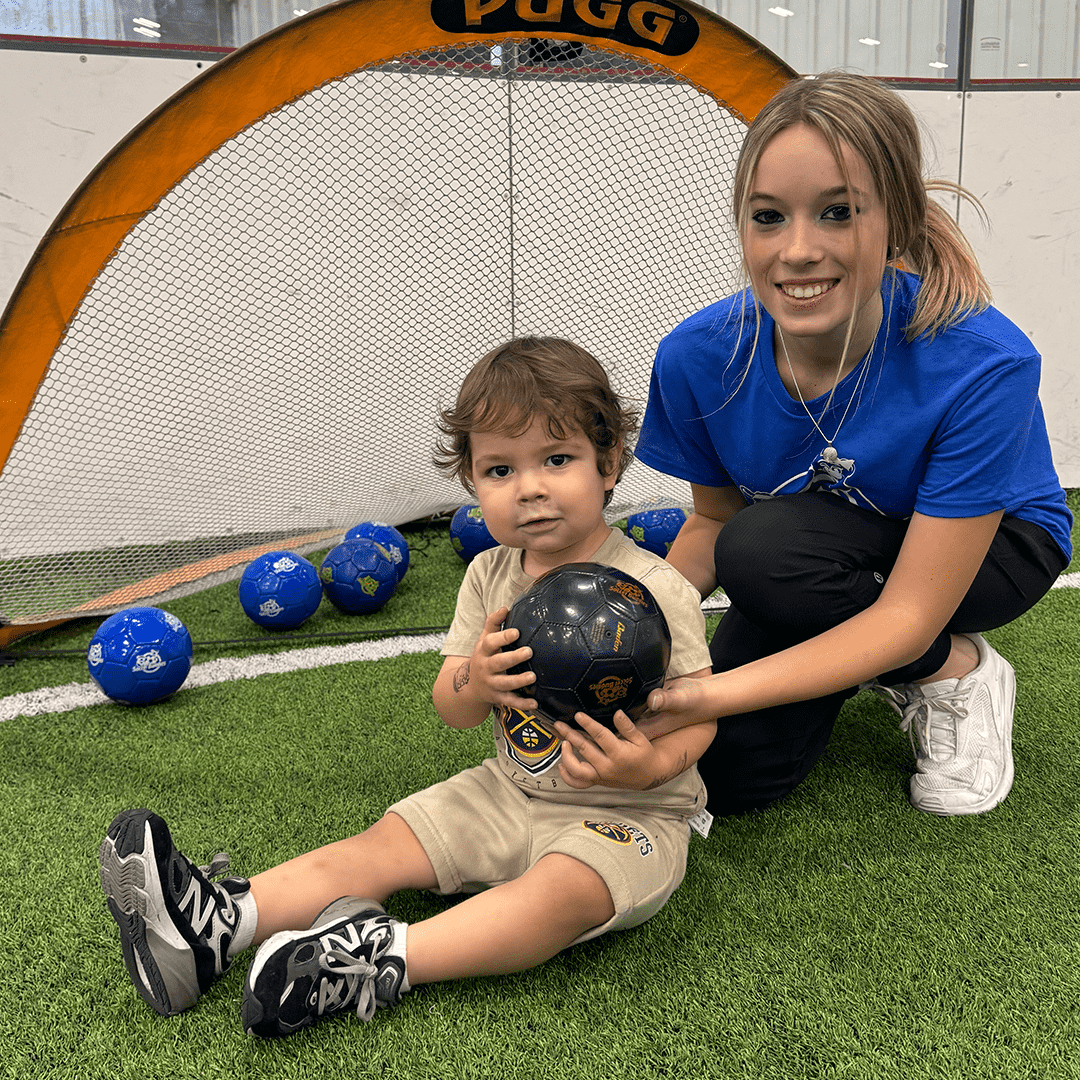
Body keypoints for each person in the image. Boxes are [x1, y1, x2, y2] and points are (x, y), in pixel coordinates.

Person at [98, 336, 714, 1037]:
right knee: (383, 843)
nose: (531, 487)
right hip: (507, 790)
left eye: (557, 459)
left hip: (631, 813)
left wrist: (651, 766)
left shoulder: (657, 589)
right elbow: (451, 706)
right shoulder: (490, 577)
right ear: (475, 486)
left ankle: (379, 957)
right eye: (500, 469)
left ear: (610, 465)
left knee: (561, 893)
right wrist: (477, 678)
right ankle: (215, 926)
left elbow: (700, 715)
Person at [634, 72, 1072, 819]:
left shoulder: (982, 362)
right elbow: (711, 522)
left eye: (838, 212)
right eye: (768, 217)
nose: (798, 250)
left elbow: (904, 612)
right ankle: (859, 649)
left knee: (766, 552)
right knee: (727, 776)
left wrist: (705, 692)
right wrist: (634, 641)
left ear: (895, 220)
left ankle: (953, 670)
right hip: (817, 552)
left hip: (996, 546)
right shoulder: (698, 356)